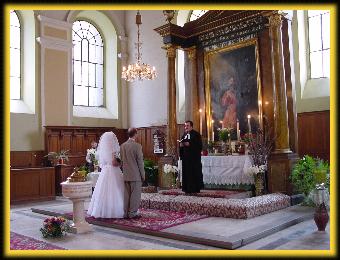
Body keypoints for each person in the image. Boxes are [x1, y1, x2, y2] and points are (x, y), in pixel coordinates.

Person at [87, 132, 124, 218]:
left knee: (103, 190)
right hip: (113, 170)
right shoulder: (112, 150)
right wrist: (120, 163)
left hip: (105, 170)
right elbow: (114, 162)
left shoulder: (103, 150)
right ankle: (115, 209)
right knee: (116, 189)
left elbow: (102, 162)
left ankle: (102, 209)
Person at [120, 127, 145, 219]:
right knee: (135, 195)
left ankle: (125, 213)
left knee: (126, 195)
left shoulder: (122, 146)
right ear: (135, 134)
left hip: (126, 174)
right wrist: (143, 175)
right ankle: (132, 213)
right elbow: (140, 162)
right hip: (135, 175)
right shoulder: (137, 146)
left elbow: (121, 161)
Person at [179, 120, 204, 193]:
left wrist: (189, 144)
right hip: (186, 159)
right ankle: (186, 188)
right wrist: (181, 146)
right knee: (186, 173)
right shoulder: (184, 135)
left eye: (187, 125)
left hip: (194, 159)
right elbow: (182, 145)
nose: (186, 127)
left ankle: (195, 188)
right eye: (185, 126)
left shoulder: (196, 134)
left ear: (191, 126)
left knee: (194, 173)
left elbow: (199, 146)